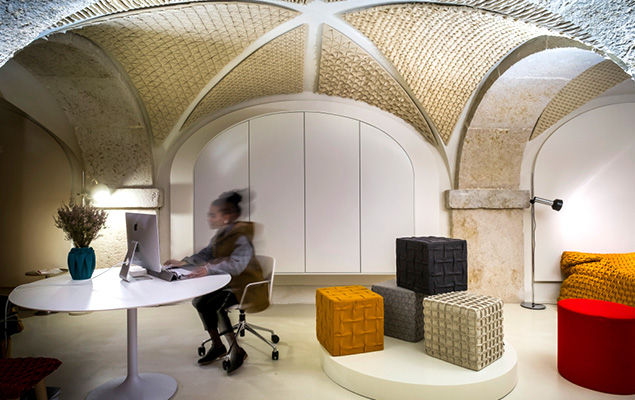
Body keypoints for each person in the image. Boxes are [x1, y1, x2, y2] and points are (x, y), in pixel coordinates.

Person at [164, 191, 268, 372]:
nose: (209, 218)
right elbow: (206, 254)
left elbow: (237, 265)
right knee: (199, 302)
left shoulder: (241, 236)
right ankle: (218, 346)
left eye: (213, 215)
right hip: (229, 283)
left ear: (226, 216)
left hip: (244, 286)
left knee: (215, 305)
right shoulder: (222, 234)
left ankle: (236, 350)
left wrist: (208, 269)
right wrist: (184, 262)